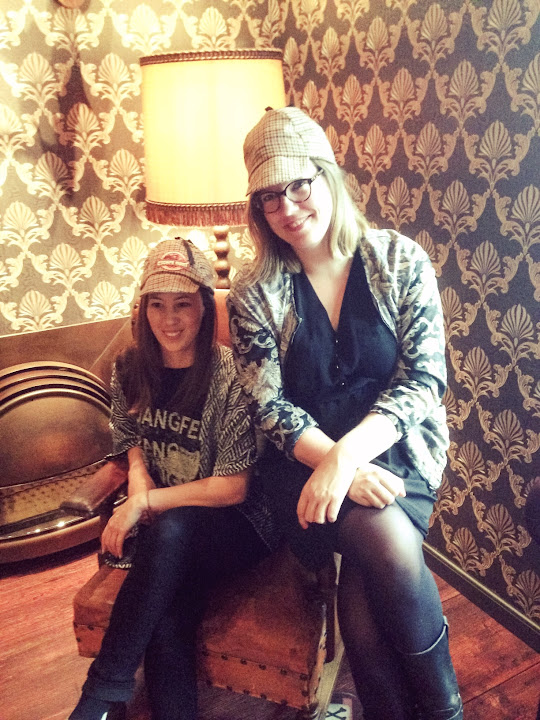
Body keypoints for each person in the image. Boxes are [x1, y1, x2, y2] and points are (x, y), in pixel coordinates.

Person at [227, 107, 463, 720]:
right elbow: (267, 405)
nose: (287, 207)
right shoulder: (254, 290)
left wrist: (348, 457)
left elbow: (425, 379)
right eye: (269, 196)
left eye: (299, 185)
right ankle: (445, 709)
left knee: (368, 576)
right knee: (380, 543)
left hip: (396, 452)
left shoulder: (400, 260)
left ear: (328, 175)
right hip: (300, 466)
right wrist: (334, 465)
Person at [69, 237, 271, 720]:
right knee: (166, 613)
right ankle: (106, 700)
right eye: (156, 304)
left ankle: (101, 693)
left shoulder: (230, 376)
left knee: (173, 529)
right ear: (142, 309)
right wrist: (139, 476)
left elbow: (233, 488)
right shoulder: (129, 368)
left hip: (239, 525)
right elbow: (129, 439)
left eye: (183, 303)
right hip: (167, 535)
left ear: (205, 307)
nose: (170, 319)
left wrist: (144, 503)